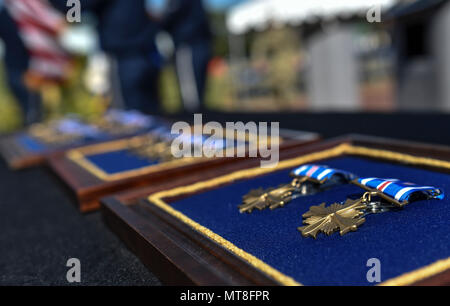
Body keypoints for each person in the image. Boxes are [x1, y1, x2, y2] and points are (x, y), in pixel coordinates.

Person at [162, 0, 212, 112]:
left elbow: (169, 17)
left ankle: (195, 121)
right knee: (195, 94)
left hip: (188, 44)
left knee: (191, 100)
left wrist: (155, 24)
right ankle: (198, 119)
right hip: (197, 42)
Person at [0, 2, 34, 123]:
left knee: (32, 110)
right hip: (16, 68)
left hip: (28, 69)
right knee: (28, 109)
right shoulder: (8, 14)